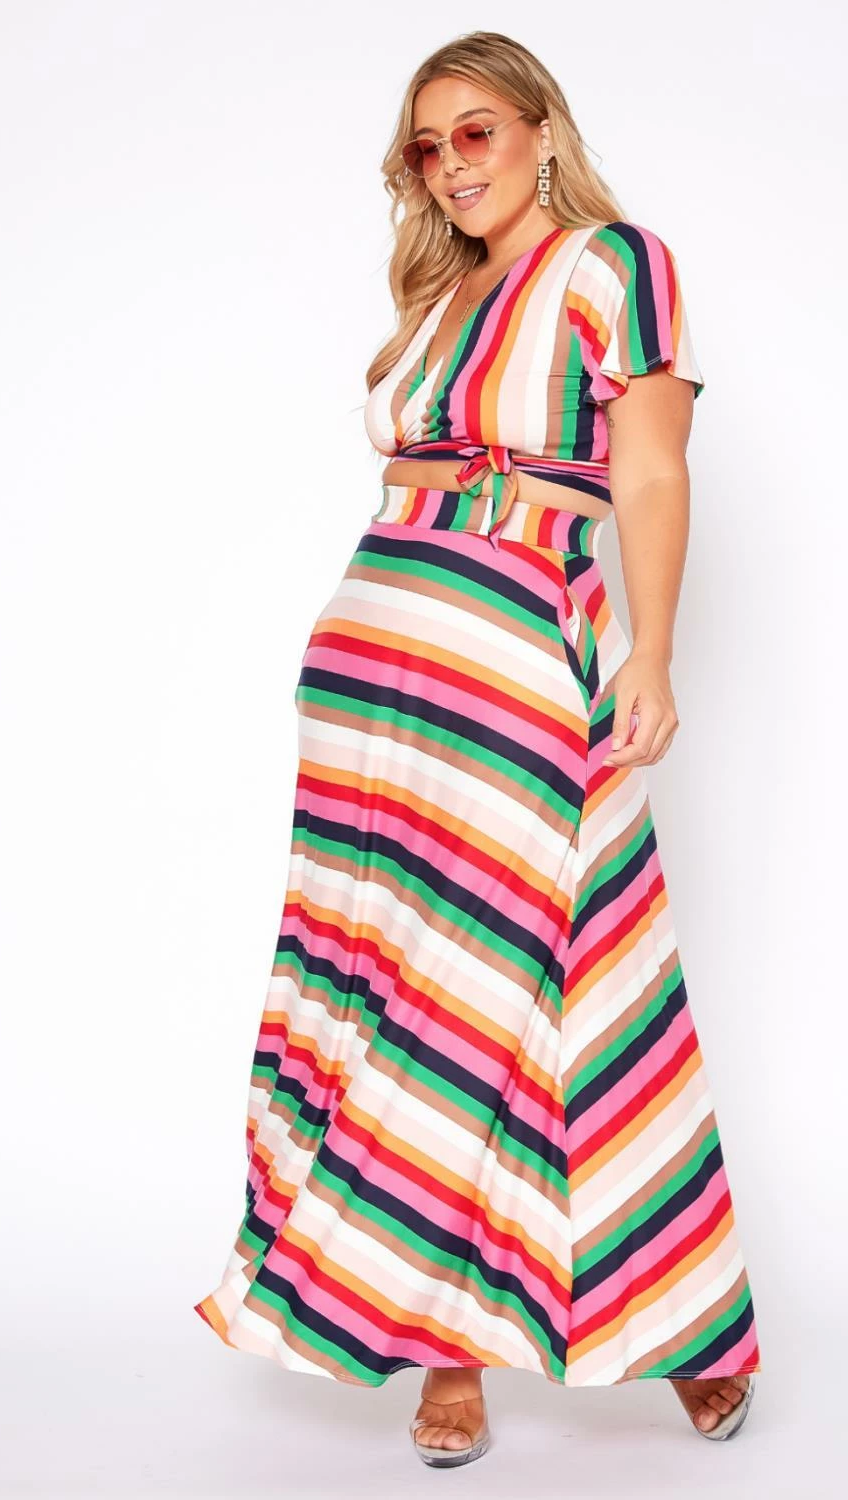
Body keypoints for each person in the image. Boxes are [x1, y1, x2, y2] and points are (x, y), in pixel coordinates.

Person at [192, 29, 762, 1467]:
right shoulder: (439, 299)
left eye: (476, 132)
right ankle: (445, 1352)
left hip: (520, 655)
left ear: (540, 132)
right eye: (425, 145)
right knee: (406, 1001)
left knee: (572, 988)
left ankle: (684, 1321)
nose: (451, 165)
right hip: (374, 669)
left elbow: (651, 467)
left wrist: (651, 650)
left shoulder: (615, 265)